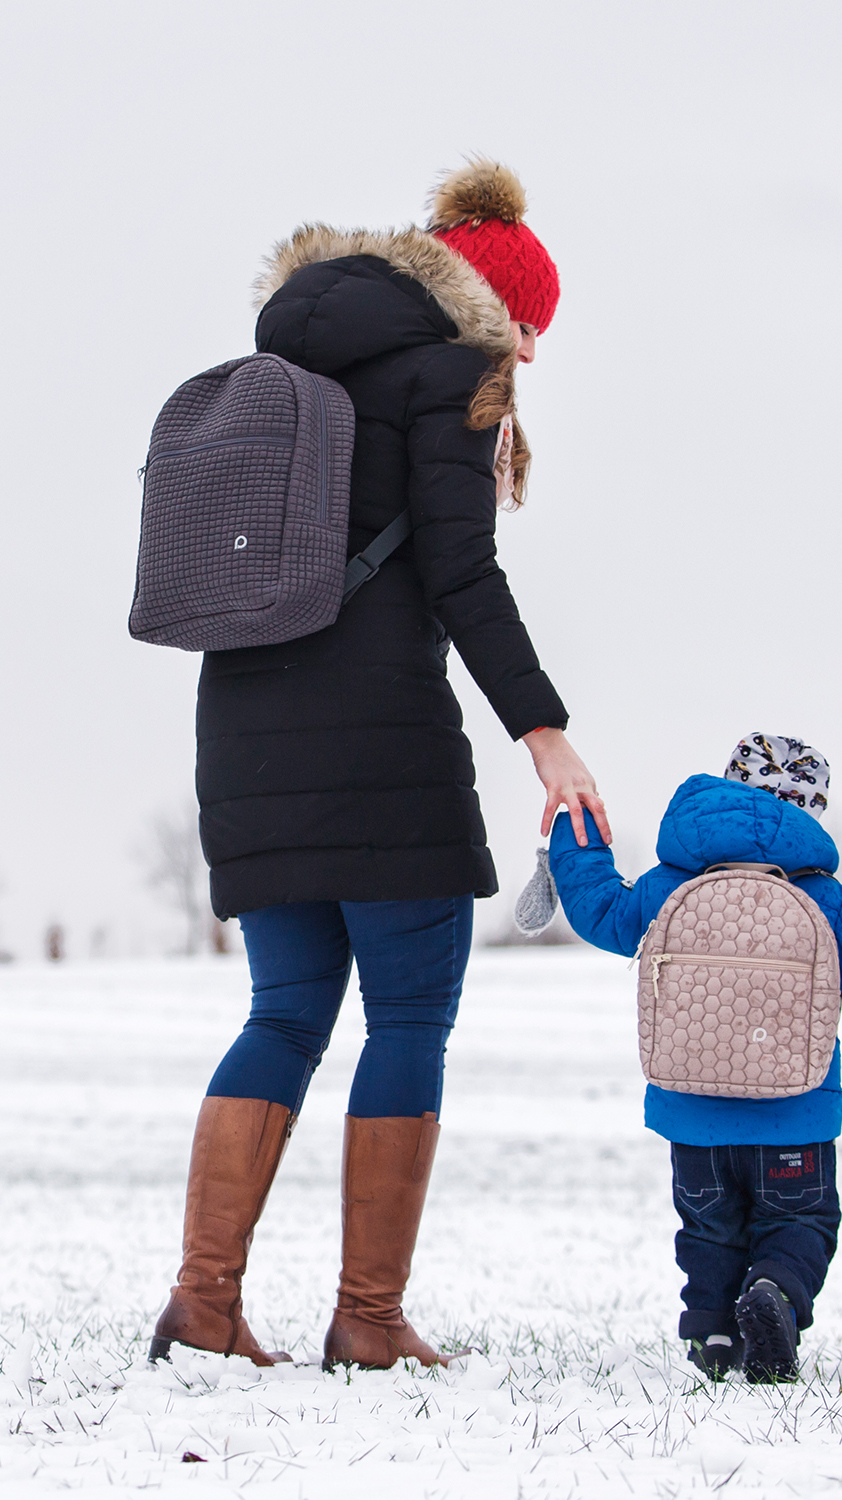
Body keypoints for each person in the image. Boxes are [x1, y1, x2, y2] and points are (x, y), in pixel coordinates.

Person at [150, 159, 610, 1371]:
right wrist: (544, 731)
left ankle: (205, 1303)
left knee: (286, 1009)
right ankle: (366, 1316)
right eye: (528, 327)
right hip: (380, 732)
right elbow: (462, 574)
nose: (531, 353)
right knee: (409, 1011)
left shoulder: (279, 368)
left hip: (242, 726)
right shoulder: (453, 376)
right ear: (488, 308)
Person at [549, 734, 842, 1381]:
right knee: (801, 1222)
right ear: (809, 814)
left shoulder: (671, 883)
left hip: (691, 1115)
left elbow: (598, 908)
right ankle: (773, 1290)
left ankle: (712, 1336)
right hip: (793, 1112)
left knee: (709, 1233)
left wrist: (573, 836)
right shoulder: (820, 897)